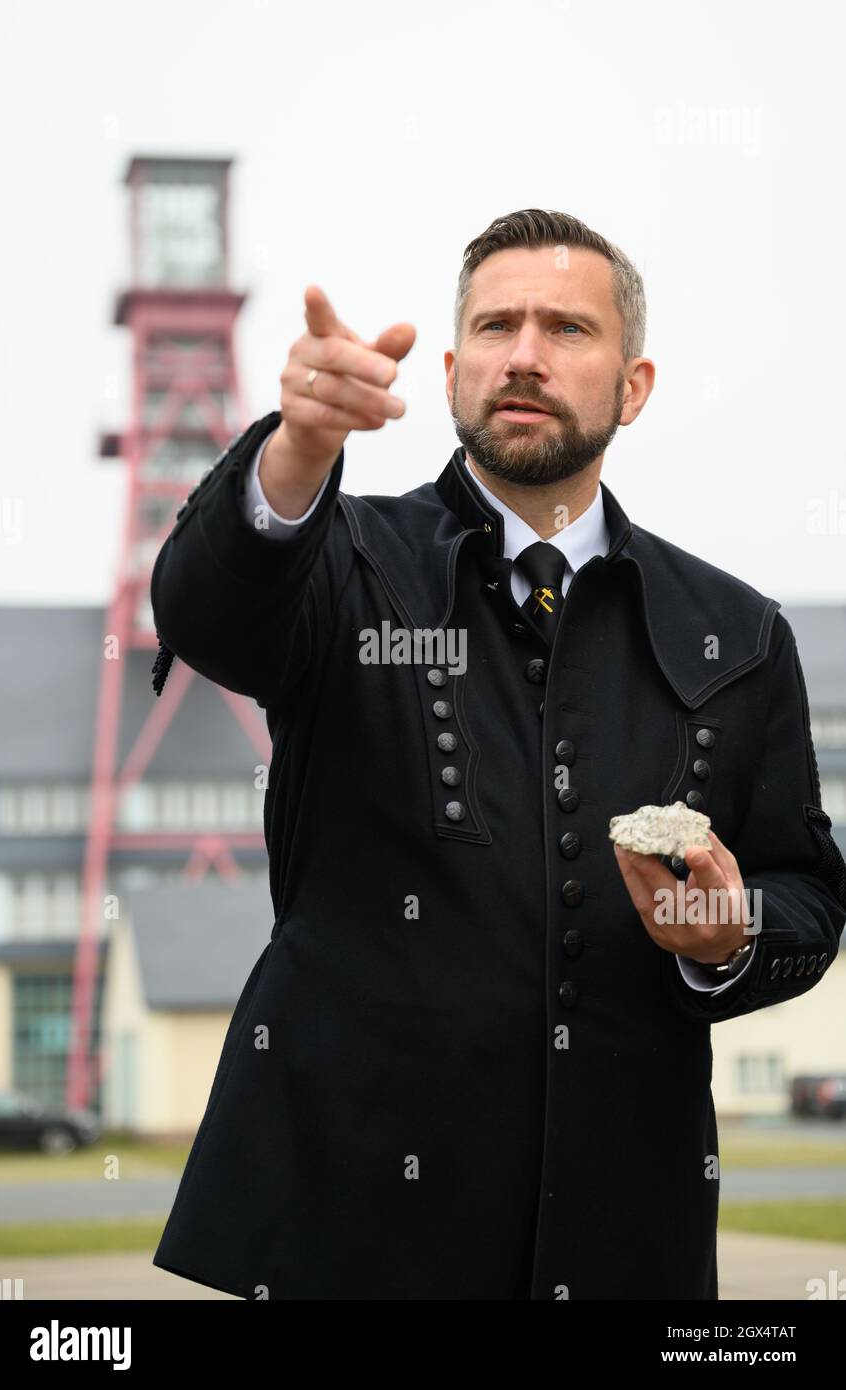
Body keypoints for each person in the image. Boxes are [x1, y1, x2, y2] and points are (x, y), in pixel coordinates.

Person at [150, 209, 846, 1300]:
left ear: (633, 385)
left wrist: (729, 932)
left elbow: (807, 893)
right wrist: (294, 452)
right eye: (494, 326)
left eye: (566, 327)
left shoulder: (738, 632)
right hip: (349, 1240)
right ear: (450, 369)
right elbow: (205, 617)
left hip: (626, 1242)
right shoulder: (337, 561)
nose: (522, 353)